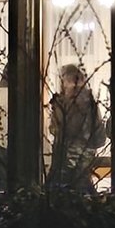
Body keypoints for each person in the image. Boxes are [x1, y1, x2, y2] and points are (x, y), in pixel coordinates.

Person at [47, 63, 105, 193]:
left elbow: (55, 130)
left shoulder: (63, 104)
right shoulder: (90, 103)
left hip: (65, 161)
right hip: (84, 159)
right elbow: (100, 137)